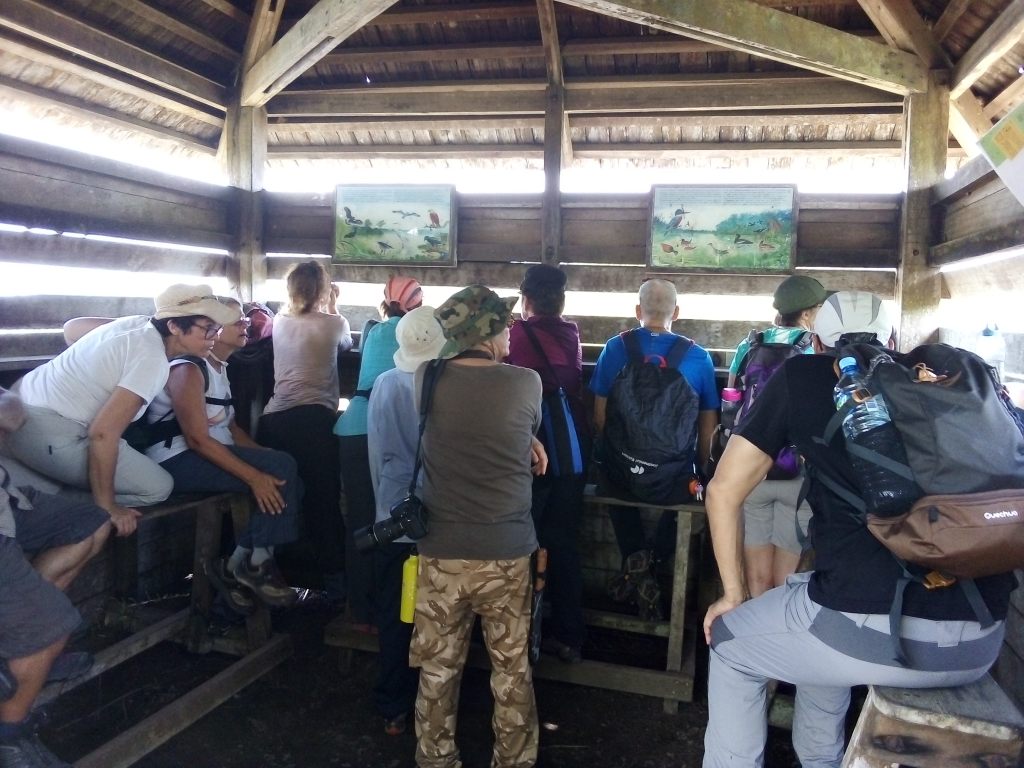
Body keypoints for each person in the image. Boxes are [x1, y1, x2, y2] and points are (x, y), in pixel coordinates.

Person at [701, 291, 1017, 768]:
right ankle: (818, 759)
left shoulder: (803, 376)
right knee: (808, 597)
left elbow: (723, 491)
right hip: (983, 636)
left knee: (730, 645)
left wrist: (732, 595)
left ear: (814, 342)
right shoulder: (938, 383)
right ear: (892, 340)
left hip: (873, 631)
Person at [410, 284, 544, 768]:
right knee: (511, 672)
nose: (510, 335)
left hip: (440, 551)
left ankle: (436, 758)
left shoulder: (426, 377)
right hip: (506, 551)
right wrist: (530, 444)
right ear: (489, 332)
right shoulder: (526, 382)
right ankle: (513, 760)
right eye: (505, 327)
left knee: (437, 669)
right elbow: (515, 431)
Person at [6, 285, 239, 537]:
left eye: (217, 328)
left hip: (18, 407)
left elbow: (71, 329)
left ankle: (43, 485)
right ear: (173, 326)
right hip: (47, 429)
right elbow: (103, 434)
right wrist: (108, 506)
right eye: (208, 328)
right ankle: (63, 504)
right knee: (157, 488)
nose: (215, 336)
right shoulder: (152, 360)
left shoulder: (137, 324)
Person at [144, 298, 300, 610]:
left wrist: (265, 456)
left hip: (204, 455)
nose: (245, 325)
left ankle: (240, 562)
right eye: (235, 321)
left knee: (287, 473)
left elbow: (231, 429)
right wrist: (255, 476)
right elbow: (196, 440)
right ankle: (252, 563)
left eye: (245, 320)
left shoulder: (219, 368)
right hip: (175, 460)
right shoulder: (188, 368)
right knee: (280, 471)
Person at [589, 278, 719, 619]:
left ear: (638, 311)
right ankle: (652, 563)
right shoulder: (698, 357)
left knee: (612, 481)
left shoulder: (614, 348)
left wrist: (614, 456)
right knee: (689, 495)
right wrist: (703, 472)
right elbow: (707, 428)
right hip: (671, 479)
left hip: (619, 473)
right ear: (677, 312)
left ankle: (636, 563)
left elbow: (600, 418)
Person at [366, 305, 446, 737]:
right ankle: (436, 705)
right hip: (437, 519)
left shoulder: (384, 383)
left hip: (393, 518)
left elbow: (376, 453)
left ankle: (393, 704)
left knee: (395, 614)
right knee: (439, 616)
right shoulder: (445, 384)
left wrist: (385, 505)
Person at [0, 388, 90, 768]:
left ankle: (19, 642)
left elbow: (11, 411)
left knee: (91, 521)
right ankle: (8, 739)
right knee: (53, 626)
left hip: (7, 502)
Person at [506, 264, 588, 663]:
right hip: (570, 454)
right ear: (561, 301)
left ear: (526, 300)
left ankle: (518, 634)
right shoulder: (571, 334)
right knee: (564, 543)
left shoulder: (518, 335)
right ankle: (568, 635)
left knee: (523, 541)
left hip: (530, 451)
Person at [256, 261, 352, 602]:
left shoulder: (279, 322)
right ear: (324, 290)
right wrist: (333, 305)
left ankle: (263, 571)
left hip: (273, 421)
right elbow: (345, 345)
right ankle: (337, 587)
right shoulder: (335, 323)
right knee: (323, 502)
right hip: (314, 422)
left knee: (274, 499)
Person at [727, 274, 827, 597]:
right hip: (798, 475)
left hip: (752, 471)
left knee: (757, 580)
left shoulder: (748, 345)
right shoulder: (817, 348)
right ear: (808, 313)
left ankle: (755, 623)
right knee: (785, 582)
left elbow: (731, 402)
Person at [336, 276, 424, 626]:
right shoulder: (414, 333)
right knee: (393, 521)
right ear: (417, 305)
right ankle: (396, 613)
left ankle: (360, 609)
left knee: (360, 521)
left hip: (353, 427)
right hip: (386, 431)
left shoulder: (373, 330)